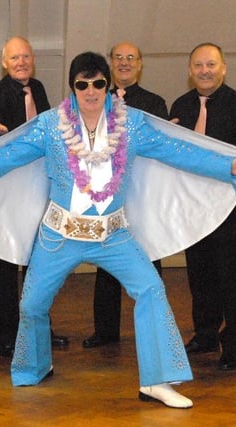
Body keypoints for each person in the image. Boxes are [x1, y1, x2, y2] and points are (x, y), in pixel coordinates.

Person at [0, 51, 236, 408]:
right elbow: (6, 155)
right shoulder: (50, 125)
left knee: (152, 289)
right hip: (58, 235)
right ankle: (34, 366)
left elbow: (179, 150)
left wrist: (229, 164)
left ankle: (157, 380)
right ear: (72, 87)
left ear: (107, 86)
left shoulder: (132, 124)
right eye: (82, 84)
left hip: (113, 235)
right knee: (31, 304)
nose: (90, 91)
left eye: (98, 83)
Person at [169, 42, 236, 371]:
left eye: (211, 65)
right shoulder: (180, 106)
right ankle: (205, 334)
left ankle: (233, 345)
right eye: (198, 65)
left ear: (224, 68)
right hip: (192, 206)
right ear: (190, 70)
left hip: (228, 207)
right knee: (199, 272)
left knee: (230, 276)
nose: (205, 71)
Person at [0, 36, 68, 357]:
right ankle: (6, 332)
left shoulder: (40, 88)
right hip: (13, 188)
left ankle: (40, 328)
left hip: (41, 186)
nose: (21, 63)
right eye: (15, 58)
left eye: (26, 57)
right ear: (5, 62)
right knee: (7, 261)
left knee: (41, 263)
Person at [82, 41, 167, 349]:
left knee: (148, 259)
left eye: (131, 58)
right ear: (110, 64)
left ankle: (154, 329)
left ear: (140, 64)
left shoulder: (155, 104)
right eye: (119, 58)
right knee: (106, 262)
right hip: (107, 194)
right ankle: (105, 331)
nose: (125, 63)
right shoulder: (93, 100)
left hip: (142, 191)